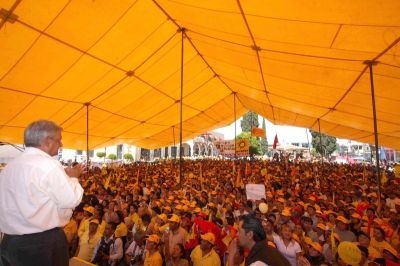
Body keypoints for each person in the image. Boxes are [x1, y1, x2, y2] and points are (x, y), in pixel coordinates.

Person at [0, 120, 84, 266]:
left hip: (10, 244)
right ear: (47, 141)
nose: (61, 144)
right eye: (59, 140)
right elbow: (72, 199)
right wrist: (73, 177)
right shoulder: (48, 165)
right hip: (42, 245)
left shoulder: (10, 167)